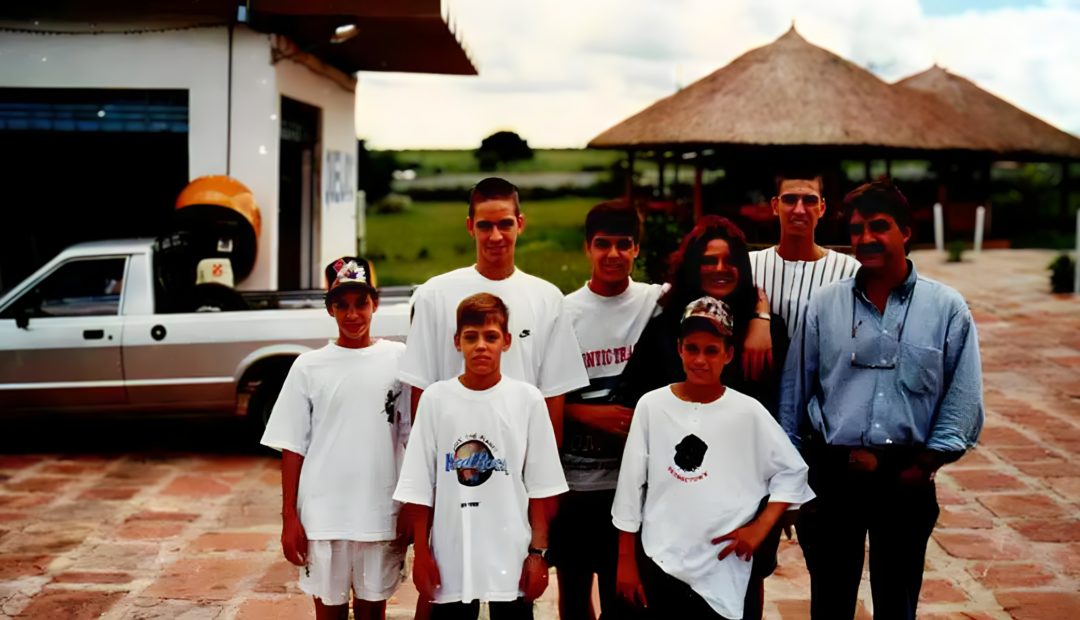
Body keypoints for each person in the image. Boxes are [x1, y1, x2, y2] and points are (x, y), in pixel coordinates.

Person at [780, 179, 984, 620]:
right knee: (830, 603)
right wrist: (793, 482)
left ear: (906, 231)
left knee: (898, 602)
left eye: (879, 226)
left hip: (906, 479)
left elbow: (963, 399)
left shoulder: (946, 308)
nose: (866, 239)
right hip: (834, 477)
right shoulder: (824, 305)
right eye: (856, 230)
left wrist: (921, 467)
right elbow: (795, 395)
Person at [611, 297, 814, 620]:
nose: (700, 360)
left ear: (729, 354)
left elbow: (792, 472)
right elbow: (631, 487)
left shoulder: (747, 412)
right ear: (679, 349)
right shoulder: (652, 406)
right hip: (662, 559)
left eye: (711, 350)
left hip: (723, 565)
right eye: (692, 349)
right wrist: (626, 561)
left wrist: (759, 528)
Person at [394, 293, 569, 620]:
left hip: (511, 556)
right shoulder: (436, 399)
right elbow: (420, 486)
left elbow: (541, 486)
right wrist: (422, 552)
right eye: (471, 337)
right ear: (457, 341)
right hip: (451, 555)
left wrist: (537, 553)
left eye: (490, 337)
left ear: (506, 341)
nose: (481, 346)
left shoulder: (526, 400)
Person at [260, 256, 409, 620]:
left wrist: (412, 508)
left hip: (380, 512)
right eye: (341, 305)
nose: (352, 314)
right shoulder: (309, 367)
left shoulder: (400, 360)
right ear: (329, 308)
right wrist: (289, 518)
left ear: (375, 303)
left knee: (373, 611)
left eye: (361, 303)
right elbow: (292, 446)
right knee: (329, 612)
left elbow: (412, 438)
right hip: (323, 516)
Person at [399, 177, 590, 442]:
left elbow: (554, 395)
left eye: (505, 224)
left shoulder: (548, 298)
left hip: (519, 456)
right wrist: (426, 472)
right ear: (470, 227)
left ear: (520, 224)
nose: (496, 236)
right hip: (452, 460)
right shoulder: (433, 295)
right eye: (485, 226)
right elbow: (420, 386)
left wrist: (546, 472)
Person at [553, 202, 662, 620]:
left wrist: (761, 314)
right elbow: (543, 399)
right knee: (575, 594)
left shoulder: (655, 302)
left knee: (628, 599)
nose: (613, 254)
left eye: (623, 244)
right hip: (577, 483)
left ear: (636, 249)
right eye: (603, 244)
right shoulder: (563, 313)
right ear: (587, 248)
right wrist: (586, 414)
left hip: (634, 485)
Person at [750, 171, 860, 339]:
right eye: (790, 199)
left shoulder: (849, 270)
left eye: (809, 200)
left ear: (821, 208)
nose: (799, 210)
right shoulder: (750, 265)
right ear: (774, 206)